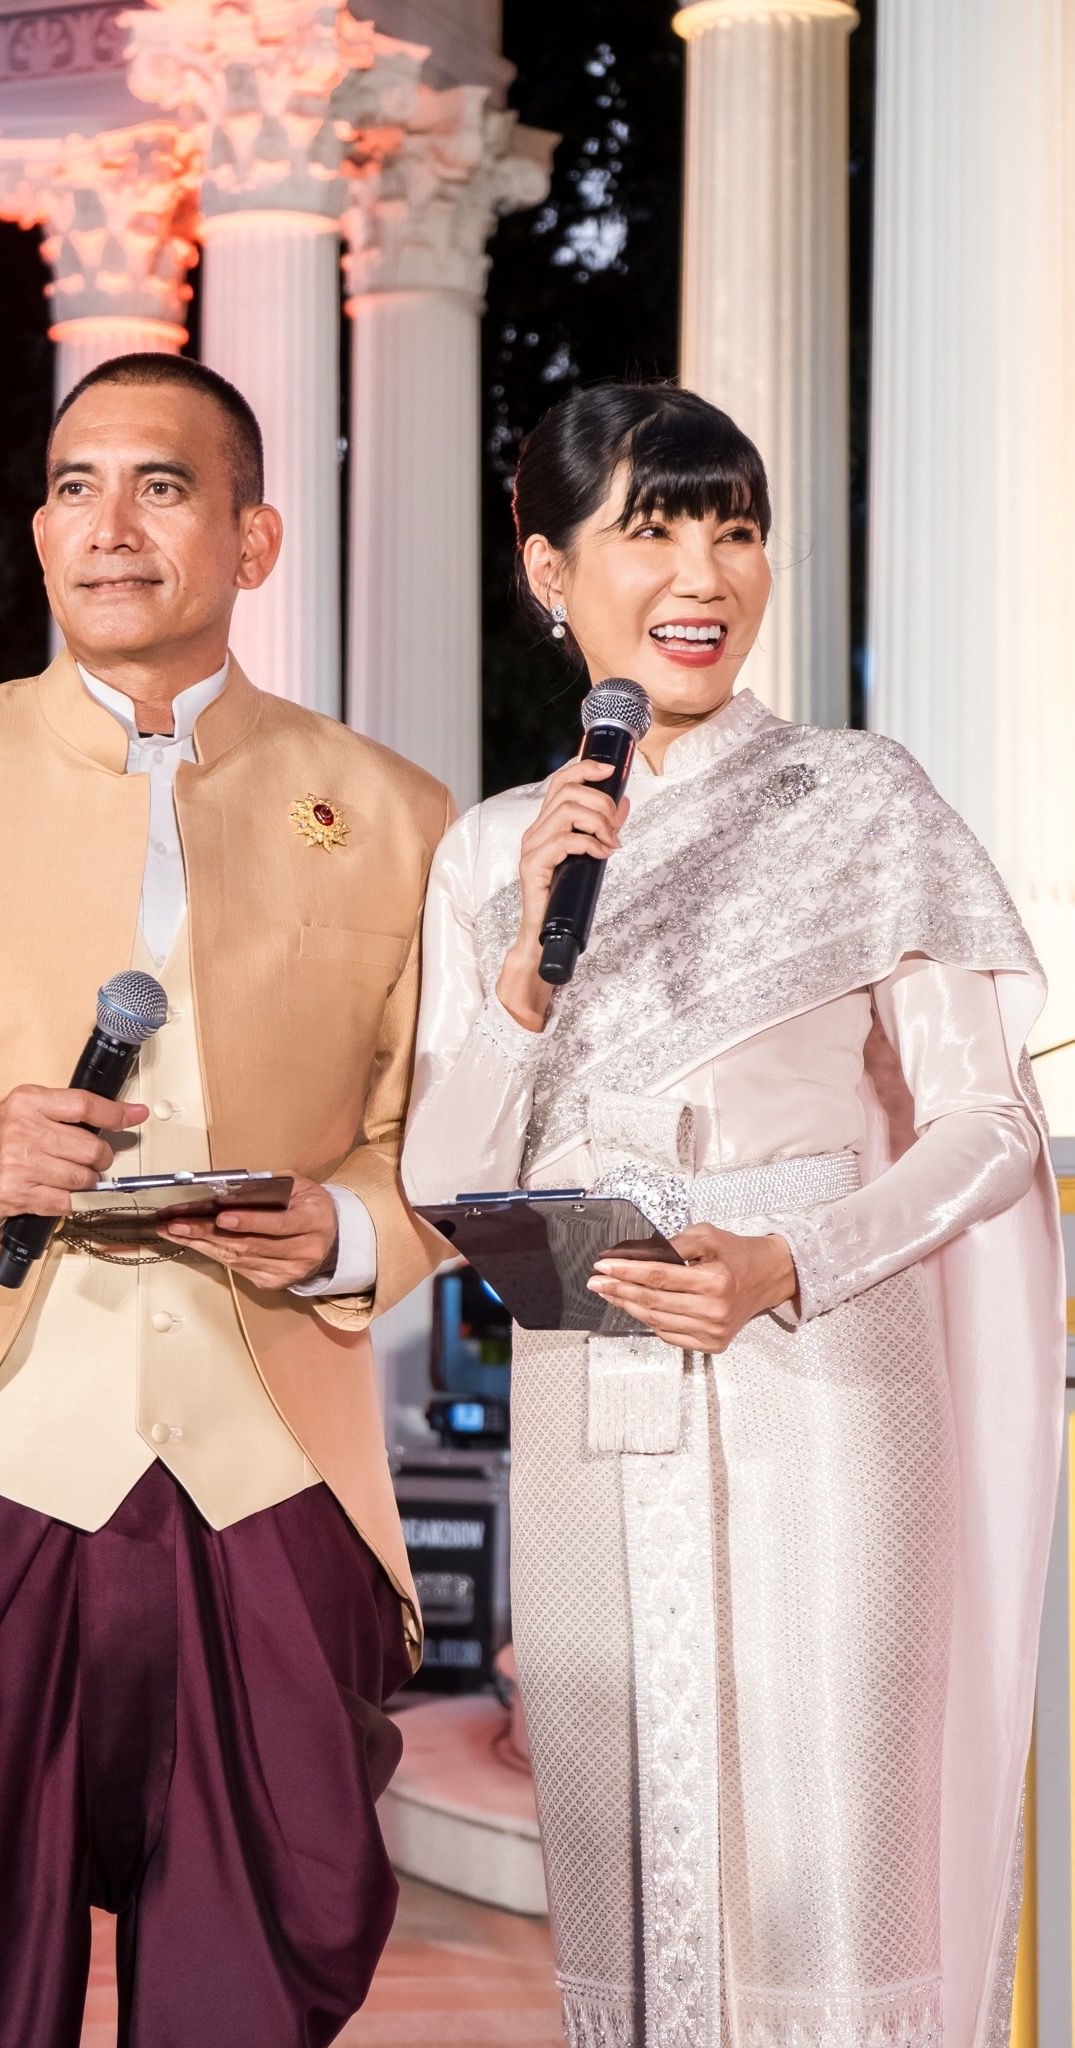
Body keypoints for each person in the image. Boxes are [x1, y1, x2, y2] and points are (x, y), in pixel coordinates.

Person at [0, 354, 453, 2047]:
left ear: (252, 540)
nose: (107, 525)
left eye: (160, 486)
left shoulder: (393, 811)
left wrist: (343, 1230)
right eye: (72, 486)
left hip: (266, 1467)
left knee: (259, 1975)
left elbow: (430, 1145)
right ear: (40, 530)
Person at [401, 383, 1066, 2048]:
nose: (703, 572)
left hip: (823, 1380)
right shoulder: (490, 851)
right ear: (547, 568)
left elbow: (989, 1123)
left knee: (827, 1859)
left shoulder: (858, 796)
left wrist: (788, 1262)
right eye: (651, 528)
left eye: (734, 528)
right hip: (589, 1395)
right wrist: (519, 980)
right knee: (625, 1862)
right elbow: (438, 1177)